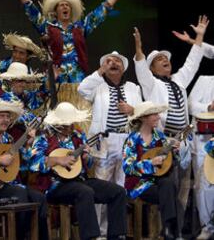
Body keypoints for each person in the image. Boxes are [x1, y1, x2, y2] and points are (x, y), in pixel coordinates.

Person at [133, 16, 209, 213]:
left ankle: (179, 226)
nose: (165, 60)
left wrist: (199, 36)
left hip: (183, 140)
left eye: (166, 58)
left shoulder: (178, 80)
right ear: (152, 68)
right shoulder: (152, 84)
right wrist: (139, 49)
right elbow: (141, 71)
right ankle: (166, 226)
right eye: (159, 59)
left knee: (184, 185)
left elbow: (192, 62)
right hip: (163, 140)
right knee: (168, 184)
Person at [7, 0, 138, 83]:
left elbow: (102, 11)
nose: (65, 7)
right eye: (62, 5)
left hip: (77, 78)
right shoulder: (47, 27)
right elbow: (31, 10)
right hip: (55, 77)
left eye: (67, 5)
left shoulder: (80, 27)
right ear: (56, 10)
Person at [29, 102, 127, 240]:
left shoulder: (78, 135)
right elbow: (33, 163)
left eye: (71, 123)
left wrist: (87, 158)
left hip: (79, 180)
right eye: (66, 123)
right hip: (55, 185)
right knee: (84, 191)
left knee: (118, 192)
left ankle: (116, 236)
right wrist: (58, 160)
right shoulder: (44, 136)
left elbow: (88, 164)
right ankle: (90, 237)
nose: (70, 126)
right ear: (58, 123)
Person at [78, 51, 142, 236]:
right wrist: (100, 70)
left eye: (117, 62)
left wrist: (133, 109)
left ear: (123, 68)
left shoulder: (133, 87)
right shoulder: (97, 86)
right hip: (104, 141)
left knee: (120, 186)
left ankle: (116, 231)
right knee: (102, 184)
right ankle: (99, 231)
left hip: (125, 139)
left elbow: (142, 112)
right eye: (109, 62)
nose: (113, 64)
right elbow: (82, 89)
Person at [0, 99, 49, 240]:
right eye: (1, 116)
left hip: (10, 184)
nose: (6, 120)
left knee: (40, 198)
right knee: (21, 194)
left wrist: (27, 145)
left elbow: (22, 163)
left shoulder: (9, 138)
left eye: (8, 116)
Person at [123, 101, 184, 239]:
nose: (158, 117)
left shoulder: (160, 137)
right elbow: (128, 168)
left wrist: (175, 152)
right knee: (169, 189)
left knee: (168, 185)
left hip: (158, 182)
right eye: (154, 114)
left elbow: (169, 164)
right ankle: (171, 230)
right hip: (139, 185)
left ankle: (168, 230)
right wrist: (150, 163)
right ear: (144, 118)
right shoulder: (132, 140)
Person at [188, 77, 214, 239]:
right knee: (204, 184)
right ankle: (207, 227)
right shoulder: (204, 80)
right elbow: (190, 106)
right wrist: (209, 106)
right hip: (204, 139)